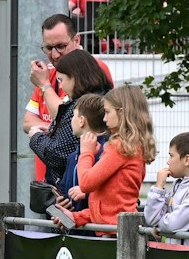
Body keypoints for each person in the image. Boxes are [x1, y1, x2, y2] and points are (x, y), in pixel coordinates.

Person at [56, 89, 156, 228]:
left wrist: (86, 153)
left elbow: (85, 183)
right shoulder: (131, 146)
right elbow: (109, 204)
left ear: (121, 113)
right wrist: (76, 217)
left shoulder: (119, 147)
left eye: (107, 112)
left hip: (114, 233)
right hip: (119, 228)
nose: (104, 118)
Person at [27, 49, 110, 198]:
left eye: (61, 80)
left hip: (78, 196)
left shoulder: (82, 106)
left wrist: (36, 137)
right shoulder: (102, 99)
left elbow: (59, 155)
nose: (61, 87)